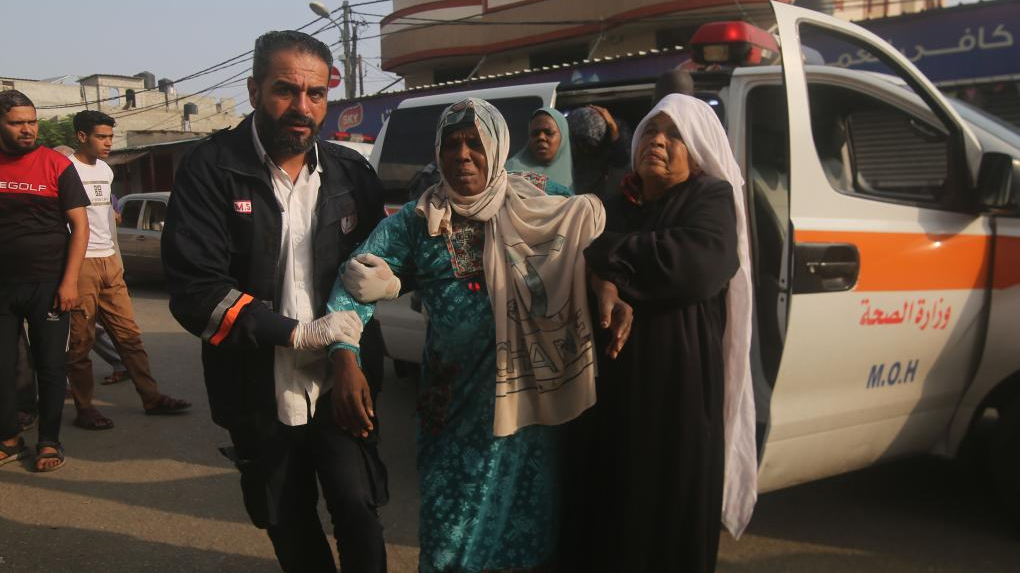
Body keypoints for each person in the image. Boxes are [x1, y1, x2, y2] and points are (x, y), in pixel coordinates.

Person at [327, 97, 627, 573]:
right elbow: (354, 283)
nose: (462, 154)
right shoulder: (418, 221)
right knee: (450, 534)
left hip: (531, 405)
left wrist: (605, 281)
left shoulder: (541, 195)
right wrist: (345, 355)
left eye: (475, 143)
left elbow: (587, 245)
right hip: (453, 409)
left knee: (529, 530)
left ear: (498, 147)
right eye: (452, 144)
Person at [162, 30, 390, 573]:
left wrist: (382, 293)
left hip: (341, 378)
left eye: (315, 94)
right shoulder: (209, 169)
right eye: (285, 90)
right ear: (254, 89)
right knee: (286, 518)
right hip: (255, 383)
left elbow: (373, 268)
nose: (302, 107)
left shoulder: (350, 171)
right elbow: (196, 290)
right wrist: (300, 334)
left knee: (359, 509)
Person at [564, 94, 757, 573]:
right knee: (611, 510)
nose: (658, 141)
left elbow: (694, 263)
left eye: (673, 135)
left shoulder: (710, 197)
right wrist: (598, 274)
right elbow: (574, 251)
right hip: (614, 391)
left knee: (668, 511)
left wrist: (607, 264)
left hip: (680, 392)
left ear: (695, 150)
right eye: (651, 131)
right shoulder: (616, 200)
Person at [64, 110, 190, 429]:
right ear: (82, 136)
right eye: (101, 137)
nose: (108, 143)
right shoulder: (65, 169)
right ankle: (84, 408)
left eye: (110, 137)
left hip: (110, 262)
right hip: (81, 264)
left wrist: (117, 262)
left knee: (130, 337)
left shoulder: (106, 171)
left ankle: (151, 397)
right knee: (80, 343)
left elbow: (107, 217)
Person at [0, 89, 90, 472]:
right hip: (3, 285)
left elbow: (80, 226)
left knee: (51, 366)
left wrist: (69, 282)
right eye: (17, 123)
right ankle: (8, 437)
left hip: (49, 285)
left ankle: (49, 441)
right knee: (2, 367)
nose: (28, 130)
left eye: (32, 122)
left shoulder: (56, 165)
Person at [567, 105, 631, 197]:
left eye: (591, 143)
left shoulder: (611, 149)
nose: (586, 148)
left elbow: (621, 161)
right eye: (582, 141)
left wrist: (613, 128)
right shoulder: (570, 151)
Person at [504, 106, 574, 190]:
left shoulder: (579, 176)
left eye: (548, 133)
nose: (541, 137)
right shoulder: (509, 172)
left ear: (563, 136)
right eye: (535, 134)